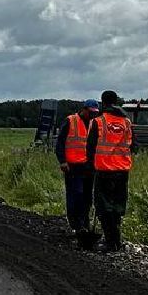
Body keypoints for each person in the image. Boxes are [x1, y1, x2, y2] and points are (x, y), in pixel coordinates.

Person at [86, 89, 133, 252]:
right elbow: (133, 145)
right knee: (118, 205)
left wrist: (90, 166)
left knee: (104, 205)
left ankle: (110, 241)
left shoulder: (98, 122)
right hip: (122, 170)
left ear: (103, 102)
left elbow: (90, 147)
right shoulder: (126, 122)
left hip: (104, 170)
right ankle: (116, 240)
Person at [55, 98, 100, 249]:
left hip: (89, 166)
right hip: (73, 166)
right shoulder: (71, 121)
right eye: (91, 112)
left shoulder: (94, 123)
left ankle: (84, 224)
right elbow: (60, 143)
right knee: (76, 195)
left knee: (87, 197)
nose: (93, 115)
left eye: (95, 113)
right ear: (84, 109)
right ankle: (75, 224)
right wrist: (62, 161)